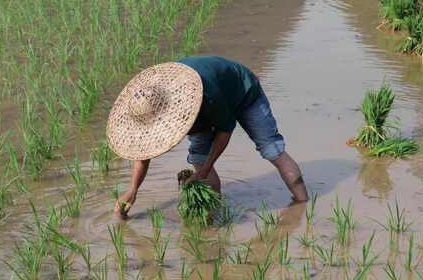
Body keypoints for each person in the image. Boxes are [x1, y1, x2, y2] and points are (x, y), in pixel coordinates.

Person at [106, 56, 308, 219]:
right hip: (204, 107)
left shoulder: (201, 92)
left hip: (244, 93)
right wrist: (133, 189)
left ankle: (304, 207)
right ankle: (213, 216)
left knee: (272, 149)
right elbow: (144, 152)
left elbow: (225, 130)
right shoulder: (155, 102)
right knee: (198, 159)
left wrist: (204, 171)